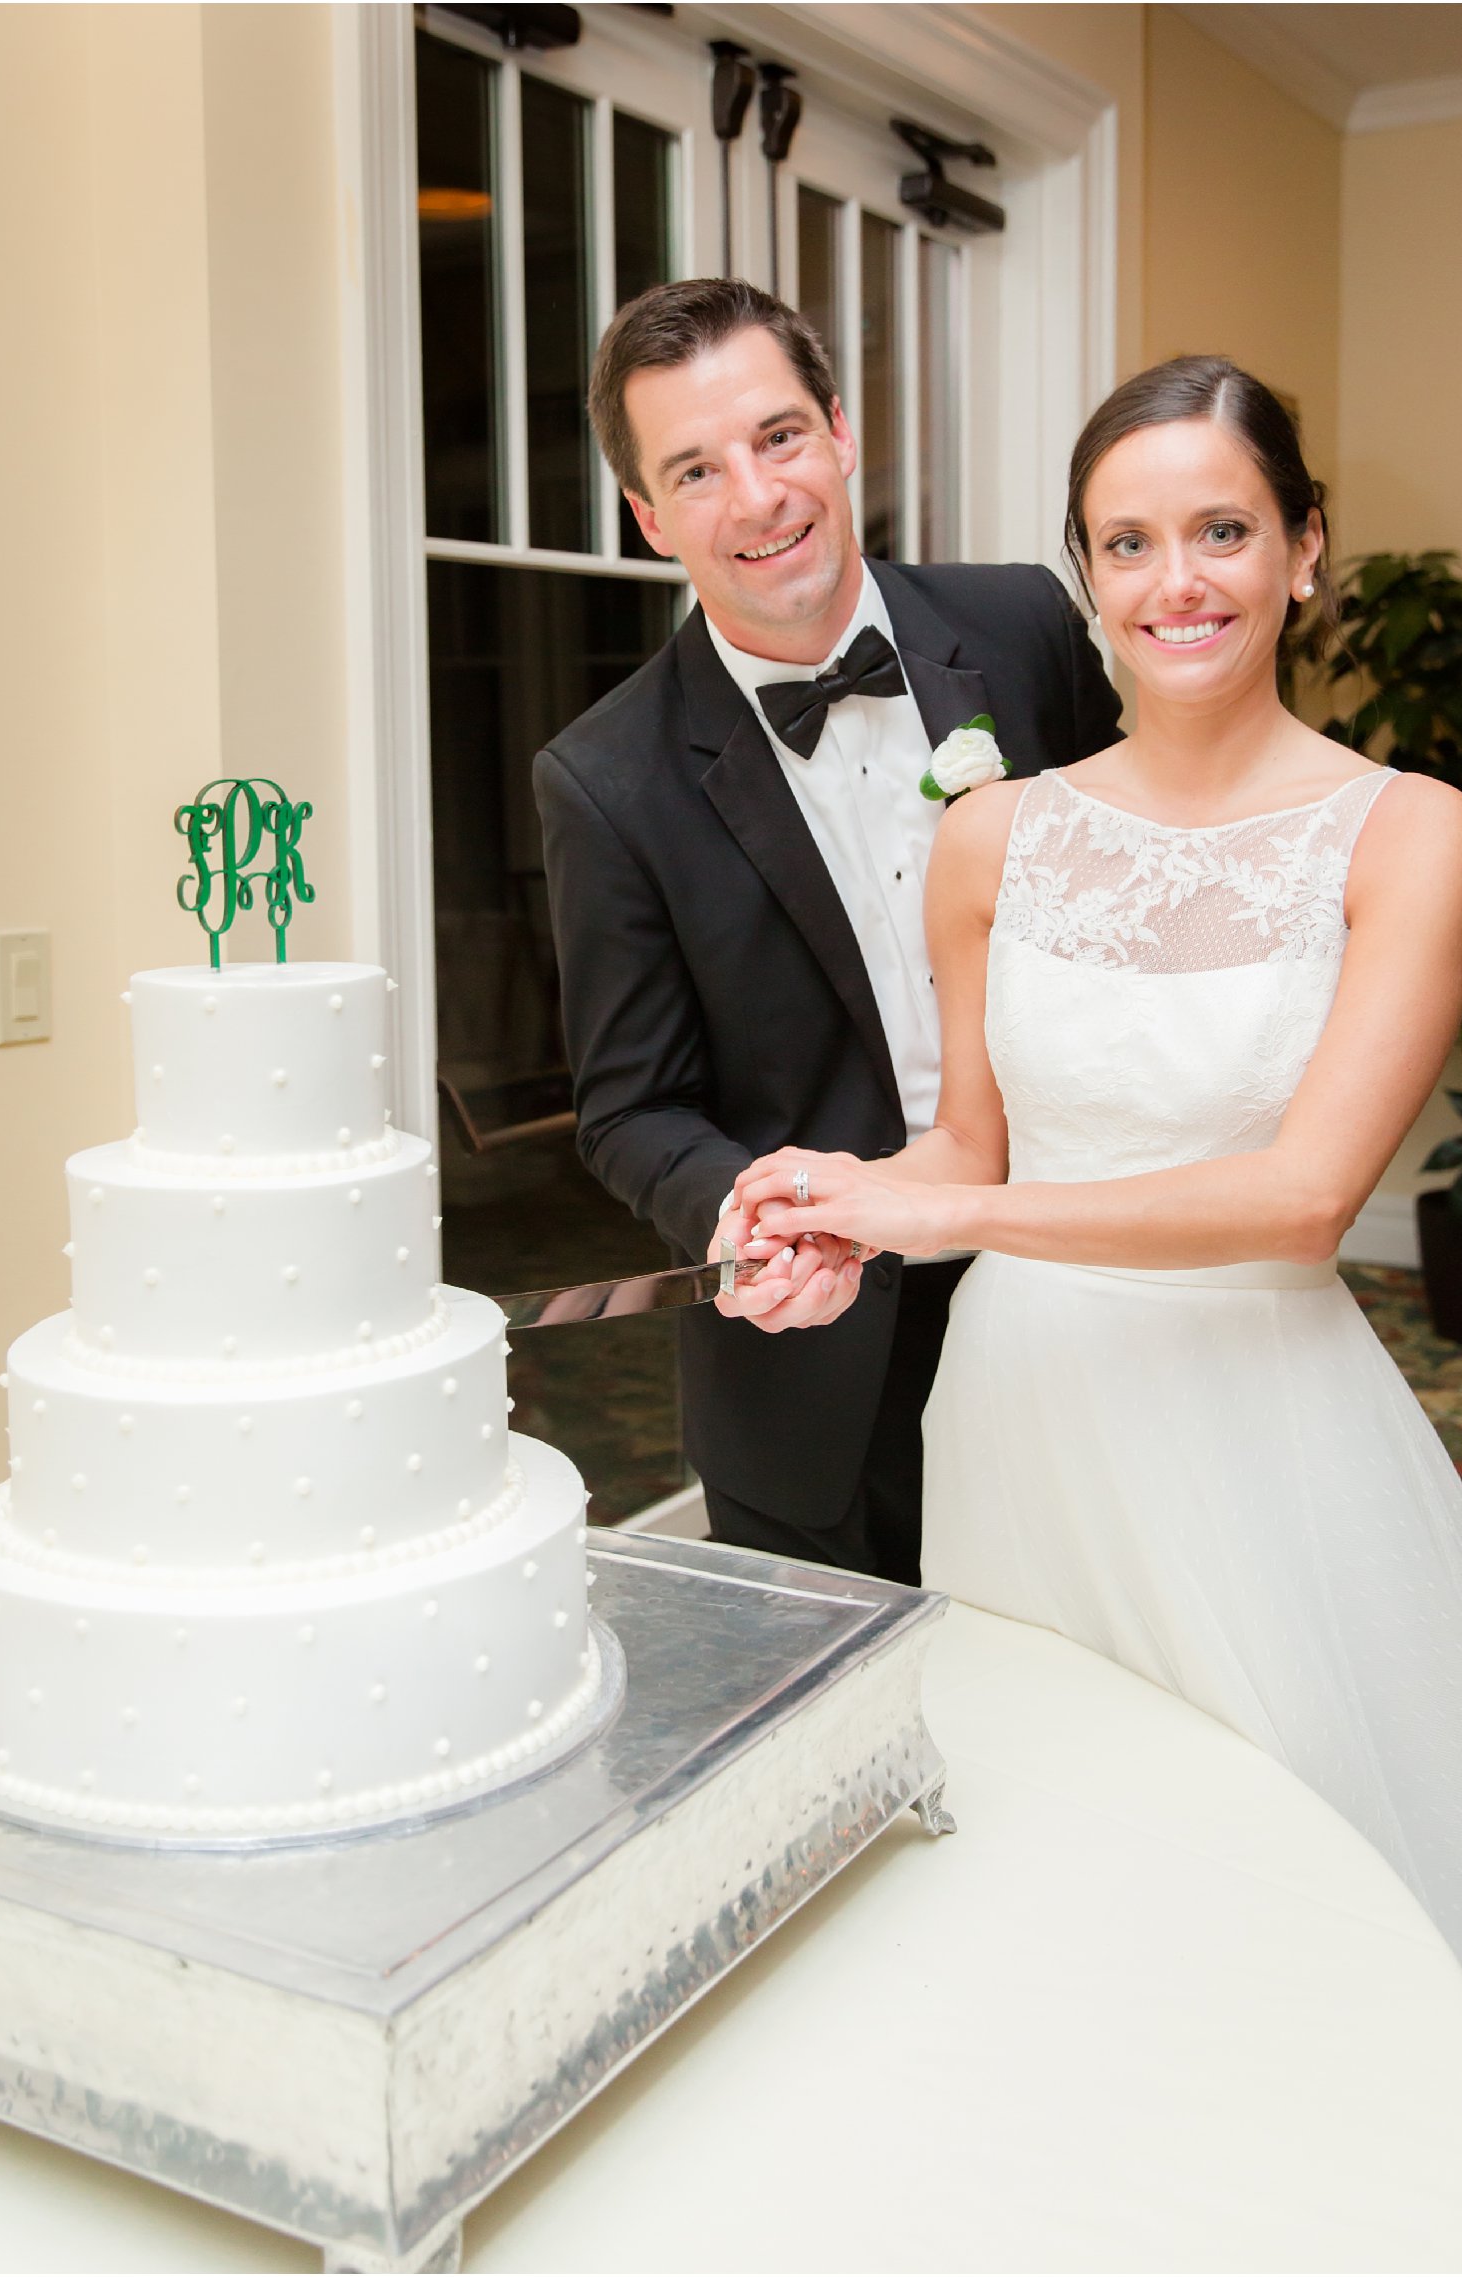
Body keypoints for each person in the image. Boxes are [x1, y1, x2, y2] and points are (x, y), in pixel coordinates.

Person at [732, 355, 1462, 1972]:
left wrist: (946, 1208)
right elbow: (970, 1142)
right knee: (1063, 1864)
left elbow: (1302, 1198)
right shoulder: (995, 834)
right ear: (1087, 576)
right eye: (1126, 543)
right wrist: (838, 1210)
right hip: (1022, 1414)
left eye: (1221, 528)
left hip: (1259, 1430)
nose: (1176, 581)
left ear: (1304, 546)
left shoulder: (1410, 830)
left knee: (1307, 1890)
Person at [534, 279, 1120, 1585]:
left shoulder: (1025, 625)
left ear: (841, 432)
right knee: (866, 1757)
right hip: (816, 1362)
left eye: (779, 436)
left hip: (1075, 1280)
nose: (756, 496)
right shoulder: (604, 778)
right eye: (696, 468)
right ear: (647, 516)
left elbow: (1139, 887)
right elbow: (630, 1109)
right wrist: (747, 1216)